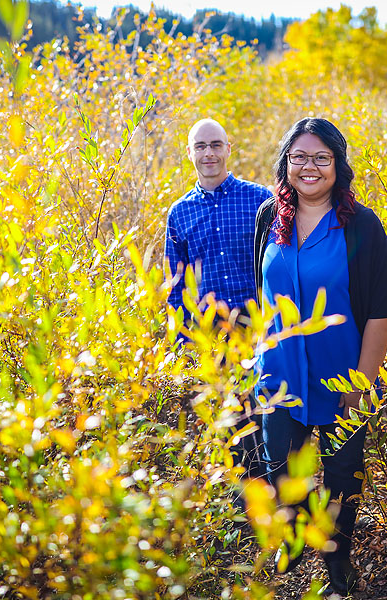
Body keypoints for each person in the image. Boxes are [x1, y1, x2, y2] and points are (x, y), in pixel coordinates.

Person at [253, 117, 387, 595]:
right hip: (279, 379)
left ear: (338, 165)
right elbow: (262, 292)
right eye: (299, 157)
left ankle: (338, 565)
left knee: (341, 481)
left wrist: (361, 382)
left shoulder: (361, 225)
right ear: (285, 165)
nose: (310, 167)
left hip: (343, 380)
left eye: (322, 157)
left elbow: (381, 311)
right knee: (283, 475)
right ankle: (295, 539)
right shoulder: (267, 219)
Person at [164, 118, 272, 481]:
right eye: (200, 146)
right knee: (227, 421)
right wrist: (184, 340)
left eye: (215, 145)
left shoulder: (260, 200)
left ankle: (280, 497)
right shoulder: (179, 213)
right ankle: (244, 508)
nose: (208, 153)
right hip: (209, 331)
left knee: (267, 413)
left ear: (229, 148)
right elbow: (176, 285)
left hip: (258, 323)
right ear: (190, 153)